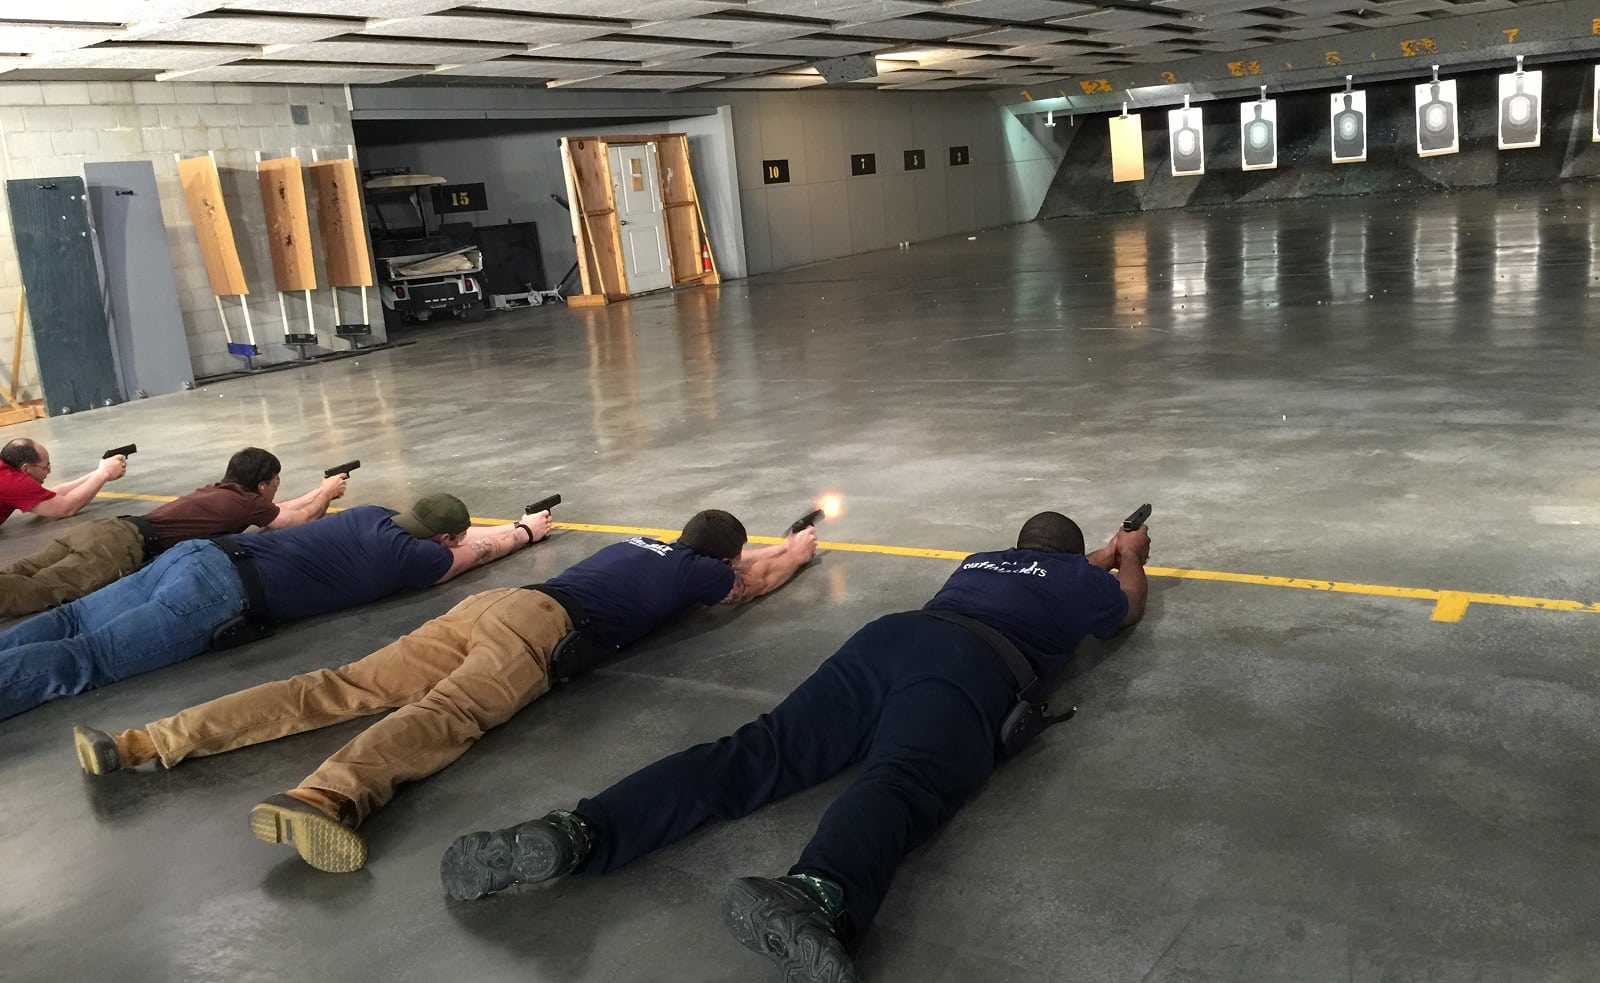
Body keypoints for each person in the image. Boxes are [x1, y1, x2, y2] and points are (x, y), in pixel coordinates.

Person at [438, 509, 1150, 983]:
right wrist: (1134, 559)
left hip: (889, 639)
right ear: (1076, 557)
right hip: (971, 664)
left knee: (758, 750)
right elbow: (1124, 610)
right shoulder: (1078, 582)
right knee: (902, 778)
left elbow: (1057, 569)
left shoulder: (981, 561)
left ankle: (577, 829)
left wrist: (1100, 553)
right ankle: (817, 892)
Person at [71, 510, 818, 875]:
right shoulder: (700, 571)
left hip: (488, 606)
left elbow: (717, 562)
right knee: (447, 714)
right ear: (721, 554)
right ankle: (324, 797)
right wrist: (798, 551)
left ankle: (142, 741)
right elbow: (750, 583)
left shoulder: (639, 546)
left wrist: (761, 546)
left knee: (334, 685)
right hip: (539, 633)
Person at [0, 493, 545, 721]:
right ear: (444, 539)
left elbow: (458, 540)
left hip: (197, 555)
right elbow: (473, 554)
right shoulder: (414, 559)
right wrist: (523, 533)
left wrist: (508, 524)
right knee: (89, 658)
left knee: (72, 620)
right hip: (218, 593)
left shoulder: (372, 514)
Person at [0, 447, 348, 618]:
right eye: (275, 483)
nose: (276, 489)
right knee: (40, 590)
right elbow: (296, 522)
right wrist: (327, 495)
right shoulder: (246, 504)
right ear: (261, 486)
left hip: (106, 530)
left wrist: (321, 491)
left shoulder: (222, 492)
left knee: (24, 572)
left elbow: (280, 510)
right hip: (120, 548)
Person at [0, 438, 127, 528]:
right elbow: (66, 508)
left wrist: (98, 472)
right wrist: (104, 474)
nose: (49, 471)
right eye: (45, 466)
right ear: (26, 468)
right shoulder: (12, 482)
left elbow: (52, 495)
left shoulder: (7, 472)